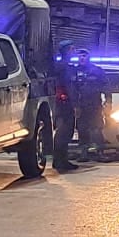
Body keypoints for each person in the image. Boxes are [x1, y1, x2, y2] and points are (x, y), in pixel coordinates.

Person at [69, 47, 108, 161]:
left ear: (88, 57)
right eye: (80, 56)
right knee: (82, 129)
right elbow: (72, 89)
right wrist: (75, 106)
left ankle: (100, 152)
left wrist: (108, 101)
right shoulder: (75, 72)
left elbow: (106, 86)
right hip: (81, 106)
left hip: (95, 105)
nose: (82, 58)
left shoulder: (97, 71)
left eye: (84, 56)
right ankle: (83, 153)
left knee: (97, 129)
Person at [51, 41, 81, 172]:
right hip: (64, 104)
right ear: (67, 50)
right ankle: (59, 161)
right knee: (63, 132)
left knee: (67, 132)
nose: (74, 51)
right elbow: (66, 87)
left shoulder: (67, 67)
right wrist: (73, 104)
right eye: (72, 48)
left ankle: (62, 160)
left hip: (67, 103)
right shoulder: (62, 68)